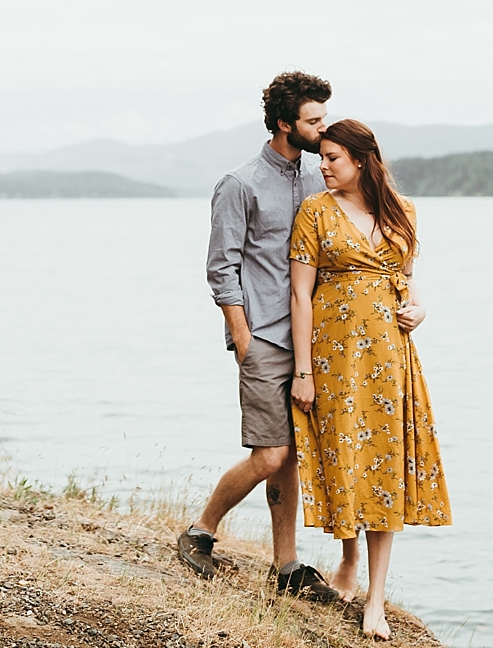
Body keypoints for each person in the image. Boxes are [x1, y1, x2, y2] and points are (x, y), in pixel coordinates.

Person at [177, 71, 344, 601]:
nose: (323, 128)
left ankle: (286, 565)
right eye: (313, 120)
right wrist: (242, 337)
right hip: (265, 339)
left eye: (323, 118)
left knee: (292, 454)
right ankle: (200, 532)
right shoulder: (240, 183)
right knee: (270, 455)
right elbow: (221, 268)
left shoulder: (323, 178)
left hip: (313, 341)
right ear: (283, 123)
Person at [289, 119, 452, 641]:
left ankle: (375, 601)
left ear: (361, 160)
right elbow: (299, 296)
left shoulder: (402, 211)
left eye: (333, 158)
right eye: (323, 157)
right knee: (346, 461)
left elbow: (407, 284)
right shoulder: (314, 211)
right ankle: (348, 558)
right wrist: (302, 372)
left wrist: (422, 310)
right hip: (334, 358)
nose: (323, 166)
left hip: (389, 358)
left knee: (385, 467)